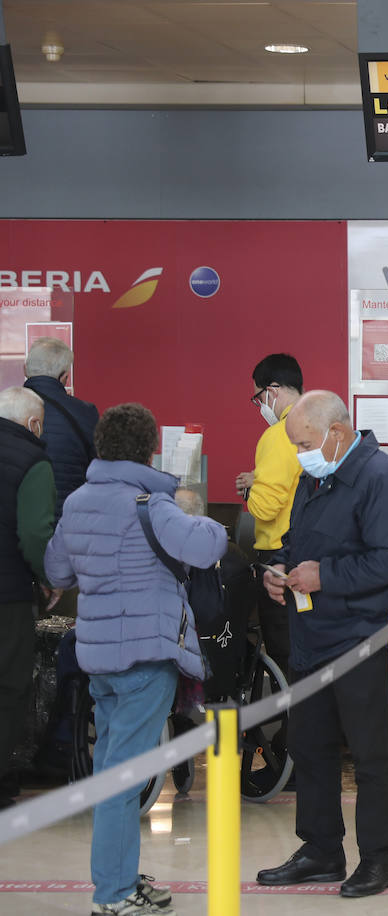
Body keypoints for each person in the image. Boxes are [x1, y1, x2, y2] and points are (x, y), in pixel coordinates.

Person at [44, 402, 227, 915]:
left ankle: (121, 876)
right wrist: (197, 514)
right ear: (151, 449)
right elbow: (204, 546)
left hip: (99, 659)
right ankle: (113, 894)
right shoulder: (150, 502)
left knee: (113, 773)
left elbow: (57, 568)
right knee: (123, 782)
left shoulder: (79, 501)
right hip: (146, 658)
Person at [255, 391, 388, 898]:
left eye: (304, 442)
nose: (299, 453)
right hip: (313, 637)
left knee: (372, 754)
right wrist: (278, 570)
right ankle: (321, 849)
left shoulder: (381, 479)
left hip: (363, 638)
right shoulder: (315, 476)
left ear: (336, 433)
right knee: (311, 747)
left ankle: (380, 857)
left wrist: (327, 576)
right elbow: (300, 544)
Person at [0, 388, 57, 807]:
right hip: (7, 593)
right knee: (9, 684)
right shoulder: (32, 460)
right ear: (33, 424)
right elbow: (35, 534)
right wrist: (48, 575)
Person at [235, 354, 304, 689]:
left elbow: (265, 508)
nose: (260, 405)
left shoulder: (279, 435)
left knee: (283, 651)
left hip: (278, 556)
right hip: (311, 553)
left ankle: (289, 737)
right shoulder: (318, 427)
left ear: (273, 390)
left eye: (258, 397)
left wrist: (252, 492)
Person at [23, 336, 98, 520]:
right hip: (68, 519)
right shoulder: (86, 413)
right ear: (65, 377)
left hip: (16, 522)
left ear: (24, 369)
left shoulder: (4, 410)